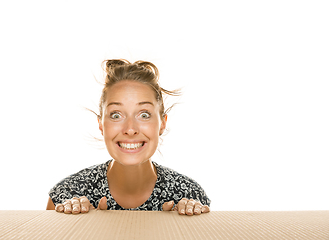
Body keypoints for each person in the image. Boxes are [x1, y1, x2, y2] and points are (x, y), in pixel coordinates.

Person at [46, 59, 210, 215]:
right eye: (116, 115)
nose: (130, 129)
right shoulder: (67, 195)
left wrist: (175, 230)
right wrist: (87, 228)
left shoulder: (189, 196)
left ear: (162, 123)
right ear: (101, 124)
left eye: (144, 115)